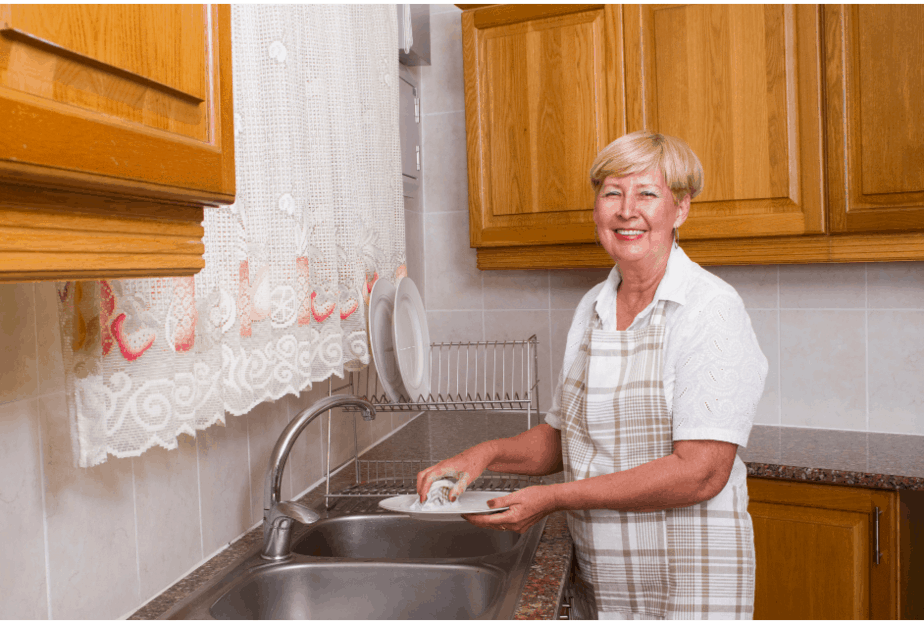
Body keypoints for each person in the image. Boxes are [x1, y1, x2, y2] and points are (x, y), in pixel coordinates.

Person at [416, 130, 768, 620]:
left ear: (680, 209)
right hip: (606, 574)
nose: (627, 210)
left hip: (690, 577)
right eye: (611, 193)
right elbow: (571, 439)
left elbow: (702, 472)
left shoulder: (710, 310)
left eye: (647, 193)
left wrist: (554, 497)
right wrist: (486, 454)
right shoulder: (593, 308)